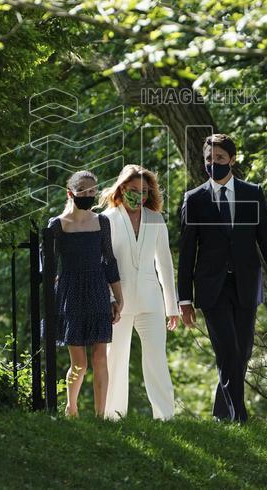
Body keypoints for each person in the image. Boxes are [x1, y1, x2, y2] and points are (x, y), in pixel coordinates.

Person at [177, 133, 267, 423]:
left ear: (232, 160)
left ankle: (222, 413)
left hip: (245, 284)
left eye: (219, 159)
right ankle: (239, 417)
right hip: (211, 287)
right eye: (209, 159)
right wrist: (184, 298)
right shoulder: (194, 200)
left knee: (242, 351)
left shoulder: (252, 193)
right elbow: (186, 252)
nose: (213, 164)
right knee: (228, 349)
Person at [41, 170, 124, 418]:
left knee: (100, 359)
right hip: (71, 294)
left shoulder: (102, 222)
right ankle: (72, 408)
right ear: (70, 194)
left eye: (92, 191)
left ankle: (100, 415)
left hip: (98, 291)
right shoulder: (57, 225)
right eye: (84, 192)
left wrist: (118, 298)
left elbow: (109, 261)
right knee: (80, 363)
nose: (89, 196)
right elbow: (47, 266)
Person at [100, 165, 179, 420]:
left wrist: (172, 307)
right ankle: (113, 416)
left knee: (156, 360)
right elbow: (104, 263)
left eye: (144, 191)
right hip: (117, 303)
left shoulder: (155, 219)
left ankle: (165, 416)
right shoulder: (107, 219)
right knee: (116, 359)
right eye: (134, 190)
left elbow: (164, 264)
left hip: (151, 301)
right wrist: (110, 299)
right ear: (122, 188)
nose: (139, 195)